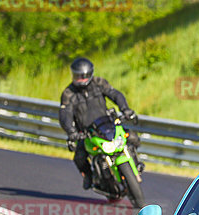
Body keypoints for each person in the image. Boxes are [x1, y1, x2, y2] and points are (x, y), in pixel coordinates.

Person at [59, 57, 142, 189]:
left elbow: (115, 94)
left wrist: (125, 109)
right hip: (87, 132)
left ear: (89, 74)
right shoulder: (69, 93)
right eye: (77, 76)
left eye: (83, 76)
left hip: (107, 125)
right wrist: (71, 132)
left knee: (132, 137)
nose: (80, 79)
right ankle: (88, 176)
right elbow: (65, 114)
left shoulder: (99, 83)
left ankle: (135, 162)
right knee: (79, 157)